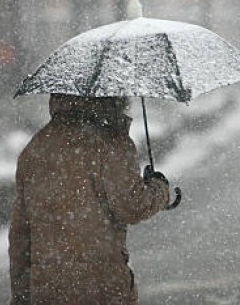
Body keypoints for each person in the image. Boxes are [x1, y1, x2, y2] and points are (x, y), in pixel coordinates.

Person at [9, 94, 170, 305]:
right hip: (102, 287)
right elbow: (133, 206)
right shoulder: (112, 143)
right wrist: (159, 189)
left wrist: (21, 295)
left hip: (48, 289)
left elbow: (21, 234)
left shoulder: (36, 147)